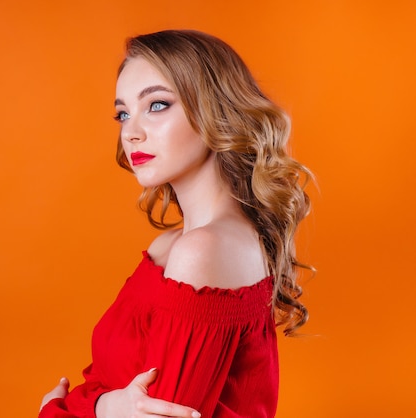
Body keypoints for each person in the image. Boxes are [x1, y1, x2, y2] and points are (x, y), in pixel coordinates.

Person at [39, 29, 313, 418]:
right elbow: (113, 386)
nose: (131, 132)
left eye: (156, 105)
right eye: (123, 113)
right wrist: (103, 405)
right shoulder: (169, 247)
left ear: (216, 110)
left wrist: (62, 411)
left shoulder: (205, 250)